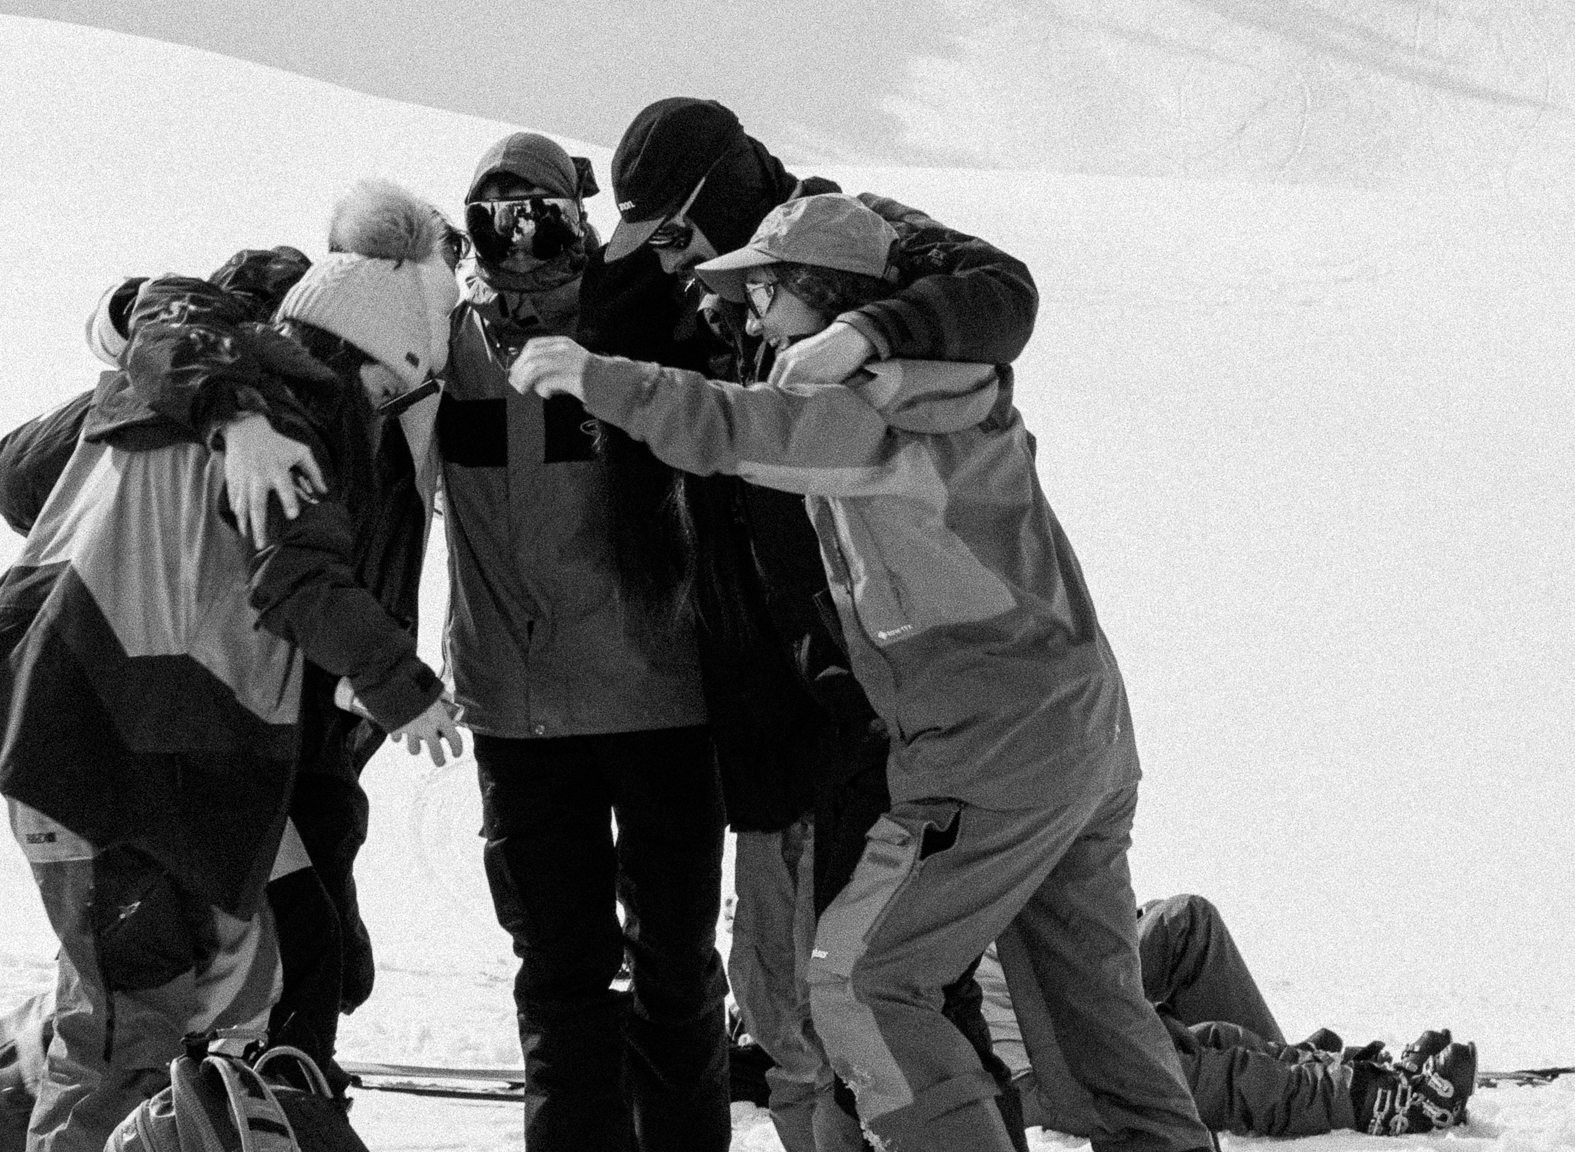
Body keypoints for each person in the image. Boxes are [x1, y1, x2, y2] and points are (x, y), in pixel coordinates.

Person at [512, 192, 1213, 1152]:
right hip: (1083, 734)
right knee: (1091, 1003)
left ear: (818, 293)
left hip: (989, 749)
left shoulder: (874, 413)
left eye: (764, 292)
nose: (753, 319)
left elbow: (730, 428)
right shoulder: (955, 386)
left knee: (861, 979)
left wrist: (596, 376)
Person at [0, 180, 464, 1152]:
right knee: (132, 1019)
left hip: (172, 748)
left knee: (201, 992)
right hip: (110, 737)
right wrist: (399, 687)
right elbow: (295, 575)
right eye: (388, 389)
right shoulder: (256, 393)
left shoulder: (251, 390)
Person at [599, 98, 1040, 1152]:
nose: (668, 259)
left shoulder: (856, 240)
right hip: (761, 702)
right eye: (650, 240)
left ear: (724, 193)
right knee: (782, 1007)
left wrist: (861, 332)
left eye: (676, 230)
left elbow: (1002, 291)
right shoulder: (686, 289)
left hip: (878, 693)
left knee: (893, 996)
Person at [443, 131, 731, 1152]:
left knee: (674, 967)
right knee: (560, 971)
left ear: (582, 220)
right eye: (495, 223)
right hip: (518, 712)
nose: (522, 246)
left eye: (544, 219)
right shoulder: (442, 341)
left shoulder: (639, 321)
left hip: (660, 698)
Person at [975, 894, 1479, 1140]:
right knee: (1180, 1072)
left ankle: (1295, 1067)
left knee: (1186, 924)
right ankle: (1373, 1099)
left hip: (1051, 988)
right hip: (1028, 1065)